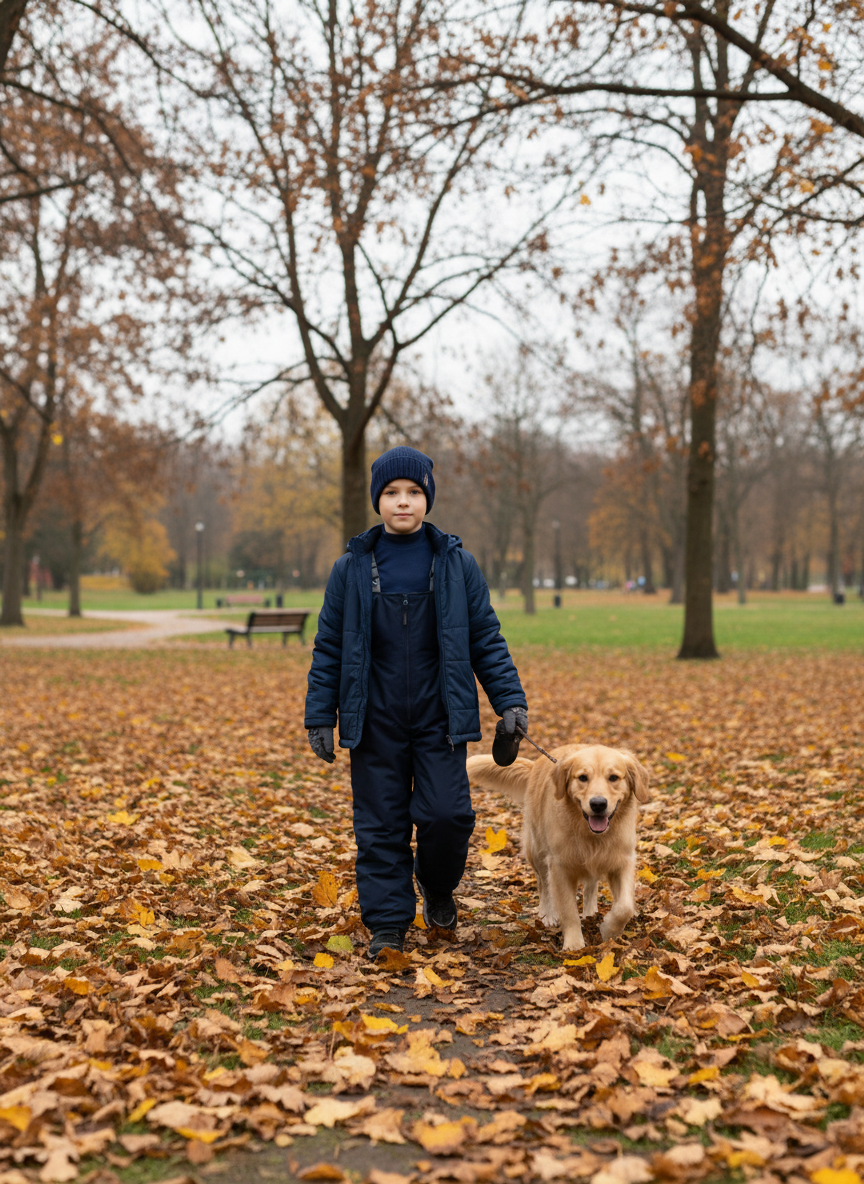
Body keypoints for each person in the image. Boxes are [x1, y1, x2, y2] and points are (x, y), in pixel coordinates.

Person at [304, 445, 529, 960]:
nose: (402, 502)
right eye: (391, 493)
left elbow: (485, 639)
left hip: (441, 719)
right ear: (377, 501)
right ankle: (388, 923)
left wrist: (509, 702)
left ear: (427, 498)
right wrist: (320, 713)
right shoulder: (351, 568)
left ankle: (437, 884)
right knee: (380, 824)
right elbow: (330, 646)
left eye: (413, 492)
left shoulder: (457, 565)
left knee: (447, 816)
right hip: (374, 720)